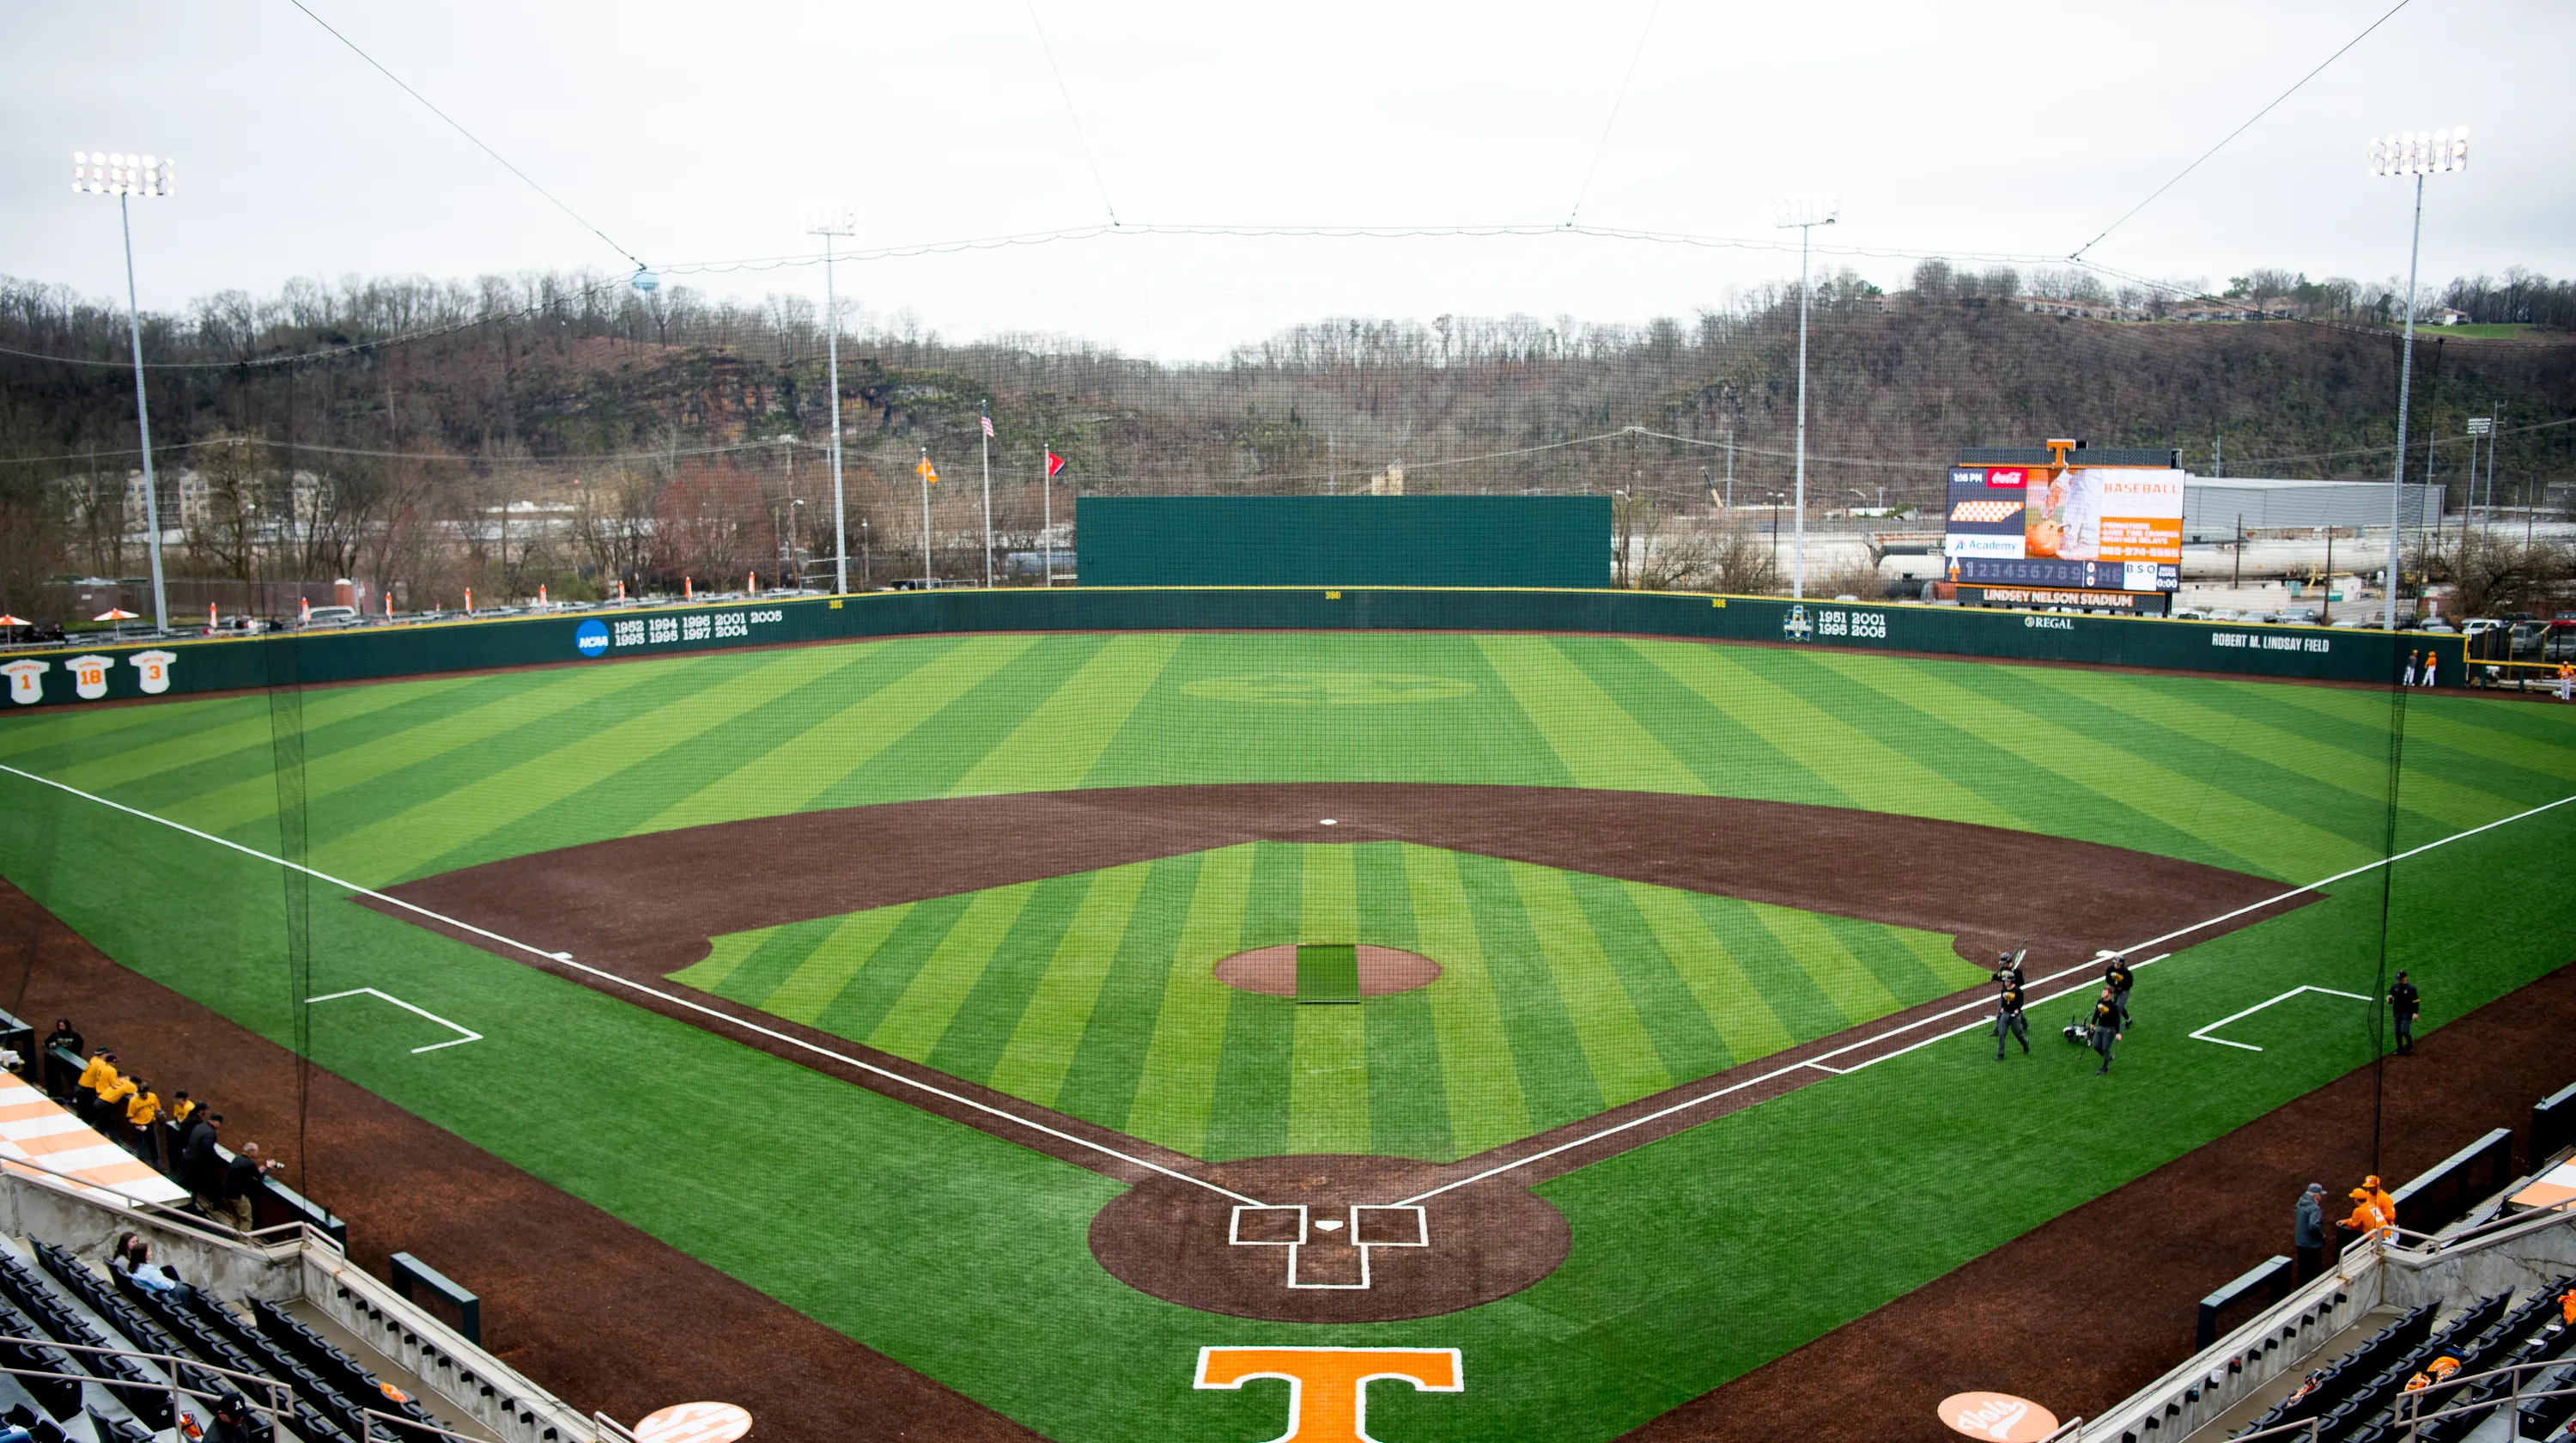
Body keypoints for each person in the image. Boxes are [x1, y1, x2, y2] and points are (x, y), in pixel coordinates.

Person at [222, 1142, 282, 1235]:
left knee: (236, 1219)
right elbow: (259, 1178)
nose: (258, 1153)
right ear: (252, 1152)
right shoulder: (249, 1164)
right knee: (246, 1221)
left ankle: (235, 1239)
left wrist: (258, 1171)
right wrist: (269, 1167)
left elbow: (247, 1173)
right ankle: (243, 1242)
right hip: (238, 1196)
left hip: (226, 1194)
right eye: (256, 1151)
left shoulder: (237, 1158)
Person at [181, 1111, 224, 1215]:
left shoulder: (199, 1126)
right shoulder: (210, 1133)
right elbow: (207, 1150)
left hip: (187, 1158)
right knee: (195, 1185)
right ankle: (190, 1208)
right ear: (216, 1122)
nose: (219, 1126)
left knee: (187, 1183)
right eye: (219, 1123)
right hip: (197, 1163)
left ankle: (187, 1205)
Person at [2295, 1182, 2329, 1282]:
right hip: (2312, 1245)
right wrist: (2322, 1236)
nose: (2320, 1198)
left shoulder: (2299, 1203)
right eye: (2320, 1195)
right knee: (2314, 1274)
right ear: (2315, 1195)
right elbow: (2313, 1225)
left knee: (2302, 1271)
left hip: (2300, 1242)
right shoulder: (2315, 1208)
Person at [2087, 987, 2123, 1075]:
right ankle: (2108, 1057)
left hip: (2109, 1029)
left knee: (2105, 1048)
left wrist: (2118, 1033)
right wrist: (2093, 1023)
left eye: (2105, 992)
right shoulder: (2100, 1002)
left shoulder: (2114, 1007)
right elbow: (2097, 1013)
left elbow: (2117, 1021)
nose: (2102, 993)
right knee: (2095, 1045)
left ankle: (2105, 1068)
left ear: (2109, 995)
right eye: (2103, 991)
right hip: (2100, 1027)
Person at [122, 1081, 160, 1163]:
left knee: (153, 1144)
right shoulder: (133, 1101)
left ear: (147, 1091)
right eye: (140, 1093)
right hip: (139, 1125)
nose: (141, 1095)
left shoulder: (153, 1096)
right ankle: (141, 1161)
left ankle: (156, 1162)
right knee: (140, 1145)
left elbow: (157, 1108)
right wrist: (136, 1125)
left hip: (150, 1124)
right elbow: (130, 1116)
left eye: (143, 1093)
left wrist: (160, 1113)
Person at [1995, 983, 2031, 1060]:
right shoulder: (2004, 990)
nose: (2005, 982)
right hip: (2005, 1014)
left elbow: (2020, 1004)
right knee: (2001, 1033)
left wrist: (2015, 1013)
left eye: (2007, 981)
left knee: (2018, 1034)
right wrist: (2002, 1010)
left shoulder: (2018, 991)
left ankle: (2025, 1043)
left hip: (2015, 1016)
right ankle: (2001, 1054)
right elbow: (2003, 1002)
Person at [2389, 971, 2421, 1055]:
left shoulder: (2411, 988)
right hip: (2397, 1012)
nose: (2398, 980)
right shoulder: (2395, 986)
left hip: (2407, 1013)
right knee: (2397, 1032)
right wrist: (2389, 998)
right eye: (2398, 979)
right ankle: (2400, 1049)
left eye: (2400, 979)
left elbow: (2416, 1001)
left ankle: (2410, 1045)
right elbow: (2391, 994)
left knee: (2404, 1031)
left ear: (2405, 978)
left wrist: (2415, 1013)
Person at [2104, 953, 2136, 1030]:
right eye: (2115, 963)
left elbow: (2129, 984)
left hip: (2124, 992)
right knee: (2118, 1007)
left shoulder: (2126, 973)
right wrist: (2112, 987)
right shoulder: (2110, 969)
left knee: (2117, 1009)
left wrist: (2121, 988)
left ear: (2121, 964)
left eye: (2118, 964)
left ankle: (2116, 1028)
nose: (2116, 965)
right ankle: (2128, 1020)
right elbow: (2108, 979)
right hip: (2115, 991)